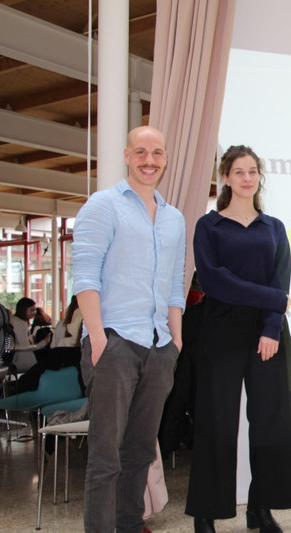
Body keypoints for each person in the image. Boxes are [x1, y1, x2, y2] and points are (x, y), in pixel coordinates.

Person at [73, 125, 186, 533]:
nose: (149, 160)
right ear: (126, 155)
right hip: (115, 343)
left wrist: (175, 342)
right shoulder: (103, 205)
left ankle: (129, 526)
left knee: (139, 453)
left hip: (159, 347)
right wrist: (98, 339)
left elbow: (175, 286)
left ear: (166, 159)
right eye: (141, 152)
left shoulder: (174, 218)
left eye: (156, 153)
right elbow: (85, 277)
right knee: (106, 458)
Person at [185, 145, 291, 533]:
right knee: (216, 422)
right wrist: (274, 300)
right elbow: (215, 281)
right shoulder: (209, 226)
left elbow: (280, 278)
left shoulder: (274, 227)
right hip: (221, 330)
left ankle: (261, 508)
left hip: (269, 334)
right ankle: (206, 513)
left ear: (258, 177)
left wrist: (271, 327)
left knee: (270, 423)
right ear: (226, 178)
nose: (247, 178)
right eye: (239, 172)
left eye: (252, 172)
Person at [9, 297, 50, 373]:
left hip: (14, 358)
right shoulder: (20, 323)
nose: (34, 312)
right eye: (32, 310)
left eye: (35, 310)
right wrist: (43, 342)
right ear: (24, 309)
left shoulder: (13, 320)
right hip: (22, 359)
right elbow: (25, 345)